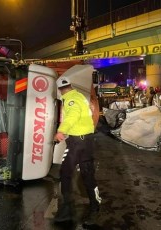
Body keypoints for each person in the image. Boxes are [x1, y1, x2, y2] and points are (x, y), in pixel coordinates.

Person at [53, 76, 101, 226]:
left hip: (77, 143)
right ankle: (95, 207)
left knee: (65, 173)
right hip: (86, 141)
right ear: (70, 85)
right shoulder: (80, 96)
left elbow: (72, 116)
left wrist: (61, 131)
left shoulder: (70, 99)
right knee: (88, 175)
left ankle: (67, 209)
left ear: (60, 90)